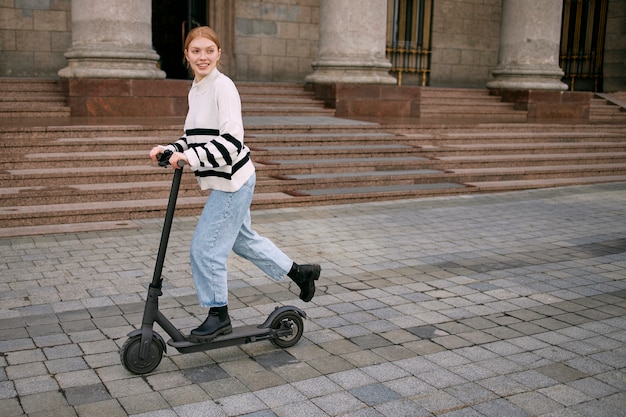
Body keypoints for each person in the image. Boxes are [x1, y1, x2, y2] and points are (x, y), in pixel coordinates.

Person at [149, 26, 320, 342]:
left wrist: (192, 159)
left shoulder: (222, 88)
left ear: (219, 54)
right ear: (186, 55)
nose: (203, 57)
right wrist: (172, 149)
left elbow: (230, 142)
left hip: (234, 182)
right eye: (196, 51)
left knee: (205, 249)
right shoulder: (197, 87)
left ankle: (219, 315)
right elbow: (194, 136)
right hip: (227, 180)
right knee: (243, 240)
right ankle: (301, 273)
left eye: (209, 51)